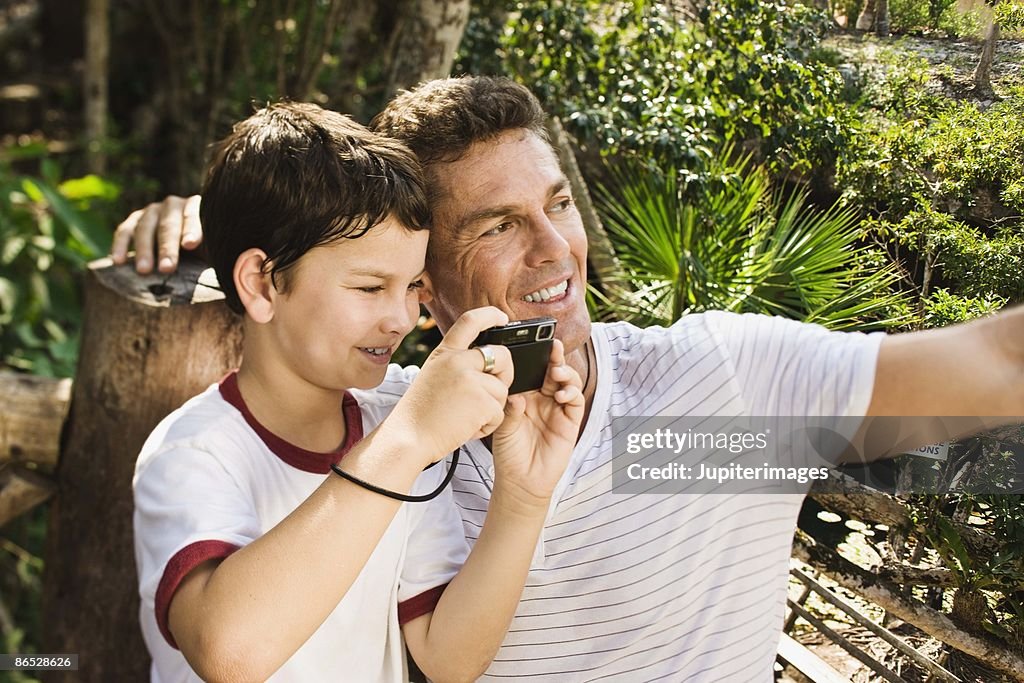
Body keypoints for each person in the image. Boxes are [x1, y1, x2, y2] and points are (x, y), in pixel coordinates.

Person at [117, 78, 1024, 681]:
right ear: (423, 292)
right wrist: (206, 219)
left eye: (557, 203)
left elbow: (993, 367)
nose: (557, 249)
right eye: (499, 226)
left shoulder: (715, 395)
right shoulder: (394, 428)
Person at [131, 101, 584, 683]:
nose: (400, 319)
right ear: (262, 284)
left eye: (412, 287)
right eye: (369, 287)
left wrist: (523, 498)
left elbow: (446, 660)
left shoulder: (395, 427)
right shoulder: (194, 452)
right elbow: (230, 654)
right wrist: (407, 440)